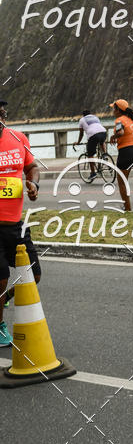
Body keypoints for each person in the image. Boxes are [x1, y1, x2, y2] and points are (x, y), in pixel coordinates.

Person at [0, 100, 42, 347]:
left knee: (34, 275)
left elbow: (32, 167)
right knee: (1, 278)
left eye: (3, 113)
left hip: (16, 224)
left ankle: (4, 298)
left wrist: (34, 184)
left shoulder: (18, 138)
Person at [73, 110, 107, 179]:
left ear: (83, 115)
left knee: (90, 154)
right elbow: (98, 128)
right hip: (104, 132)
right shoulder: (95, 117)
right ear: (90, 114)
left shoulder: (82, 120)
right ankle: (104, 154)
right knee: (102, 141)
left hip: (93, 135)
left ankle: (93, 173)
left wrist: (78, 142)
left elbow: (81, 133)